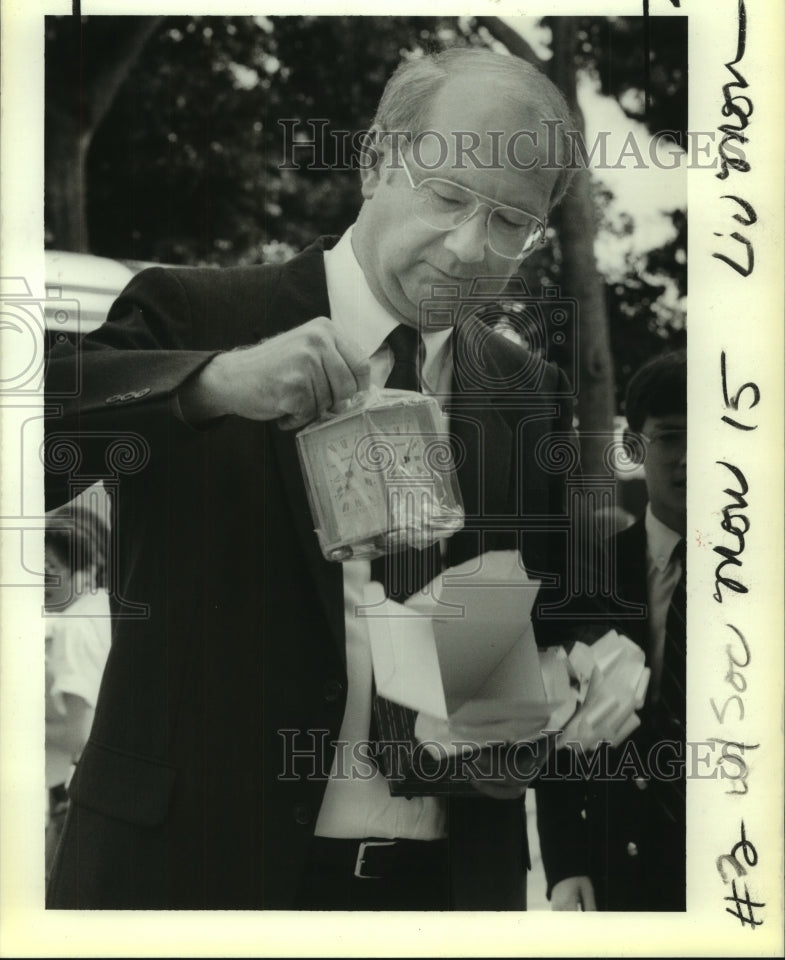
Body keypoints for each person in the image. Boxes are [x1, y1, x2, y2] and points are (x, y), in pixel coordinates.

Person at [44, 46, 577, 910]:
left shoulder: (526, 393)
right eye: (446, 197)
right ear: (375, 163)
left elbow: (512, 628)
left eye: (510, 224)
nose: (471, 248)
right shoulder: (196, 316)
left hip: (437, 894)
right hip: (190, 881)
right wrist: (213, 384)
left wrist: (525, 708)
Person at [535, 350, 687, 911]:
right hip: (619, 868)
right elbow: (554, 724)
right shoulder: (587, 574)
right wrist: (566, 862)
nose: (692, 461)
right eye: (670, 438)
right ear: (632, 448)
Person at [44, 503, 112, 881]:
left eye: (50, 571)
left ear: (84, 571)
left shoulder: (74, 627)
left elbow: (78, 734)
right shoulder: (104, 607)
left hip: (71, 797)